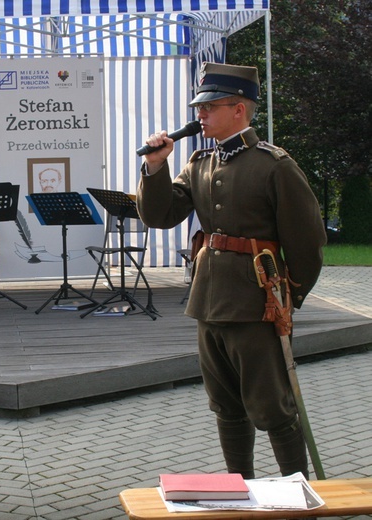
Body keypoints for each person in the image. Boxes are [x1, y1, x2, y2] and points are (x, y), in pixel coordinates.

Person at [136, 62, 327, 479]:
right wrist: (155, 167)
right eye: (199, 107)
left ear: (239, 109)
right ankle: (240, 491)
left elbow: (307, 243)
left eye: (209, 107)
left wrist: (286, 298)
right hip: (209, 302)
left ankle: (297, 493)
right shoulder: (201, 162)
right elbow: (161, 214)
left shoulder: (274, 165)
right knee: (225, 405)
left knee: (272, 406)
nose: (199, 114)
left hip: (258, 305)